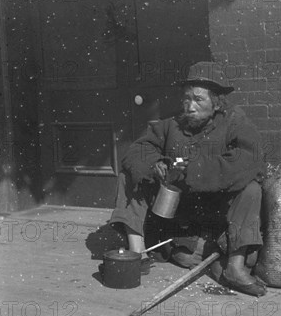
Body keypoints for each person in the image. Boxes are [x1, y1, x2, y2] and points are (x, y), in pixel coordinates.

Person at [109, 62, 267, 297]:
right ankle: (137, 255)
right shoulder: (173, 124)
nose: (190, 106)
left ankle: (234, 266)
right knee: (129, 176)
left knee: (251, 189)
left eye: (198, 100)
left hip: (217, 211)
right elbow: (137, 151)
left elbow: (249, 160)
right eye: (186, 99)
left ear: (216, 103)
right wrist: (155, 164)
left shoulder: (235, 123)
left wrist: (195, 172)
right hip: (180, 214)